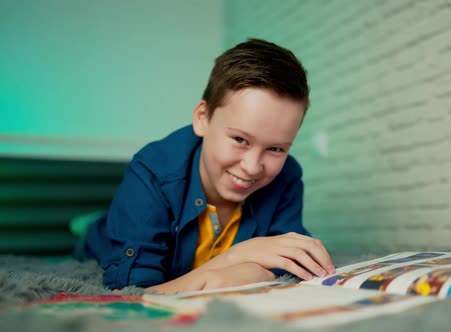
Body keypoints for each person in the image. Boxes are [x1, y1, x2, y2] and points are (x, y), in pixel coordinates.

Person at [77, 38, 335, 294]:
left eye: (276, 148)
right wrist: (232, 259)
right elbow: (131, 295)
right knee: (99, 229)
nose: (252, 167)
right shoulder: (153, 171)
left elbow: (288, 261)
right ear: (202, 119)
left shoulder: (287, 176)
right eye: (239, 139)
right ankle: (89, 224)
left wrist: (261, 271)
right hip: (100, 239)